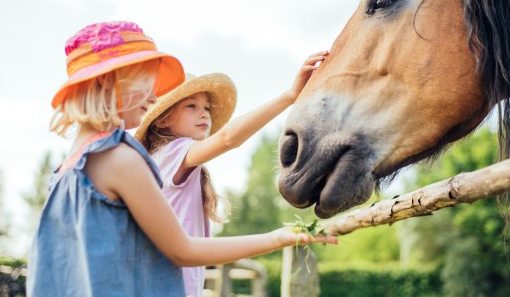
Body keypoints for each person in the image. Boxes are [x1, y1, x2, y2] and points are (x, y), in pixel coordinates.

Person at [27, 20, 336, 297]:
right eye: (146, 82)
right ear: (109, 81)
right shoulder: (121, 159)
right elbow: (182, 250)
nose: (152, 98)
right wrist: (277, 238)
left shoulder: (66, 170)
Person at [134, 51, 329, 297]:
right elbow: (227, 138)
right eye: (191, 106)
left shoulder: (157, 160)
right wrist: (289, 97)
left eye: (206, 107)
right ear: (162, 120)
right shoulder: (173, 153)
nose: (204, 113)